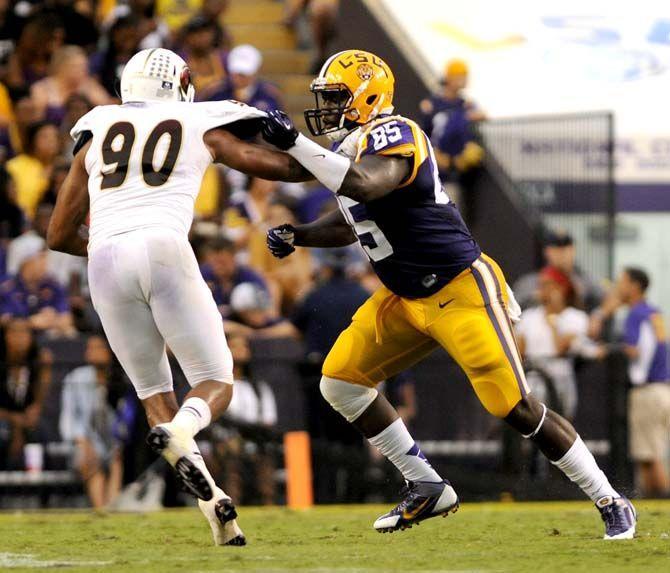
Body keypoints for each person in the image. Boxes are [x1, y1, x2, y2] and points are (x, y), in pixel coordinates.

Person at [261, 49, 635, 539]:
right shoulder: (352, 149)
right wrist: (301, 234)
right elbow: (358, 219)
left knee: (514, 407)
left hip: (459, 289)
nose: (327, 108)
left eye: (336, 98)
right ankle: (426, 485)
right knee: (341, 382)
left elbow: (367, 186)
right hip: (404, 298)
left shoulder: (396, 133)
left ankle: (609, 498)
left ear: (368, 98)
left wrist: (296, 146)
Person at [46, 48, 310, 545]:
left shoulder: (97, 128)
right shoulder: (198, 119)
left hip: (103, 259)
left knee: (154, 397)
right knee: (216, 380)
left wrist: (108, 243)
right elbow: (262, 163)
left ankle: (215, 507)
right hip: (165, 247)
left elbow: (58, 235)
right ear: (179, 84)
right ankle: (185, 430)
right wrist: (314, 160)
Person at [592, 268, 670, 497]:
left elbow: (634, 350)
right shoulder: (652, 312)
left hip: (647, 390)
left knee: (649, 458)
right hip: (661, 389)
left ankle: (662, 507)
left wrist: (606, 350)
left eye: (622, 282)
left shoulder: (635, 314)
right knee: (650, 455)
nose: (618, 287)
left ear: (635, 286)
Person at [515, 266, 597, 421]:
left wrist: (553, 322)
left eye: (547, 285)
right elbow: (519, 352)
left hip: (561, 376)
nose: (541, 290)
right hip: (534, 376)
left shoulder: (575, 317)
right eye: (540, 285)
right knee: (533, 425)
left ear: (560, 288)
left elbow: (560, 348)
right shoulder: (528, 317)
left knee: (561, 424)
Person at [59, 336, 126, 509]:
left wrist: (118, 443)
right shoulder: (75, 378)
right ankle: (101, 510)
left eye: (98, 347)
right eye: (90, 348)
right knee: (90, 460)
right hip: (82, 443)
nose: (92, 352)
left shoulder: (119, 379)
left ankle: (112, 510)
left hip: (113, 443)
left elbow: (124, 419)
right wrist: (83, 441)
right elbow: (68, 418)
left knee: (117, 459)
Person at [0, 317, 52, 469]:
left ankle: (40, 486)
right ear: (5, 336)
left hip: (26, 418)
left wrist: (34, 410)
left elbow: (37, 404)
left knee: (40, 432)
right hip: (3, 416)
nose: (21, 338)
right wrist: (15, 420)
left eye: (25, 333)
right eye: (15, 332)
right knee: (2, 432)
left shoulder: (37, 362)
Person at [419, 59, 485, 175]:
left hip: (457, 162)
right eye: (460, 76)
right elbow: (424, 131)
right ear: (450, 78)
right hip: (436, 160)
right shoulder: (432, 103)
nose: (464, 80)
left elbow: (482, 114)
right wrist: (433, 152)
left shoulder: (464, 104)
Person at [514, 231, 603, 312]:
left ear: (573, 250)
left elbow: (605, 300)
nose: (562, 254)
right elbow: (514, 309)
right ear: (546, 252)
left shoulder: (585, 280)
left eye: (565, 248)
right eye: (556, 249)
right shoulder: (530, 281)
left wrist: (598, 316)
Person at [0, 250, 76, 336]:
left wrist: (51, 321)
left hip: (48, 337)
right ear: (27, 263)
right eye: (39, 259)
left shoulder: (52, 285)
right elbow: (4, 320)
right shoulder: (7, 288)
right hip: (15, 338)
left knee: (70, 333)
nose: (44, 264)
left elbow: (67, 319)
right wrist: (31, 323)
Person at [30, 45, 111, 125]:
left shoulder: (89, 85)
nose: (83, 71)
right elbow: (37, 121)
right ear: (62, 67)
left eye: (84, 67)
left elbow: (108, 110)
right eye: (77, 67)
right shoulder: (42, 88)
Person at [199, 236, 269, 318]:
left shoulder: (250, 278)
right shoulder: (200, 277)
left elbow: (266, 313)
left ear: (233, 257)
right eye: (214, 262)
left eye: (222, 262)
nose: (218, 267)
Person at [5, 120, 61, 218]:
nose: (51, 140)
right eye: (44, 136)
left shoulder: (65, 167)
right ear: (32, 140)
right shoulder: (14, 166)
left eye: (55, 136)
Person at [205, 45, 283, 113]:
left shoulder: (268, 94)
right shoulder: (217, 92)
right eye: (236, 73)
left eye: (244, 74)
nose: (239, 78)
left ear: (255, 72)